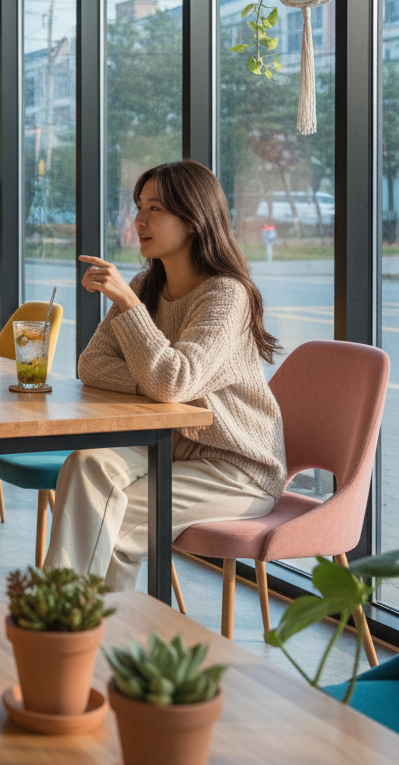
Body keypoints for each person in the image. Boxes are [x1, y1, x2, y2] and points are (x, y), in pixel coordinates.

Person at [43, 159, 287, 590]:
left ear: (193, 220)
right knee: (87, 463)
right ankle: (67, 632)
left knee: (110, 523)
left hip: (235, 468)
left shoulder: (227, 295)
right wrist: (158, 385)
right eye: (139, 206)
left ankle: (58, 631)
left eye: (155, 208)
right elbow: (92, 365)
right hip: (169, 448)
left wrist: (130, 310)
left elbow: (173, 381)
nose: (139, 219)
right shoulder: (144, 284)